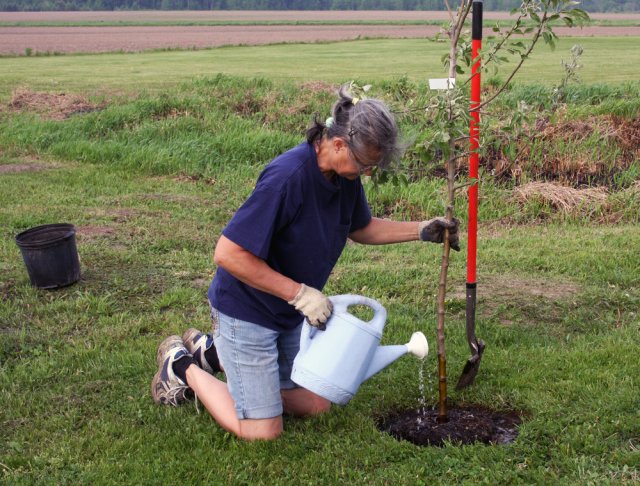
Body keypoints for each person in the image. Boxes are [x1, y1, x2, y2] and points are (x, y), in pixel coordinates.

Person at [151, 84, 460, 441]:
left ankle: (215, 354)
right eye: (364, 164)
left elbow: (361, 228)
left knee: (316, 403)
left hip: (287, 316)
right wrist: (300, 295)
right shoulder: (287, 178)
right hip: (247, 310)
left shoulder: (344, 177)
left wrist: (423, 231)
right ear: (339, 143)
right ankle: (181, 365)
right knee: (263, 431)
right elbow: (228, 254)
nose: (367, 173)